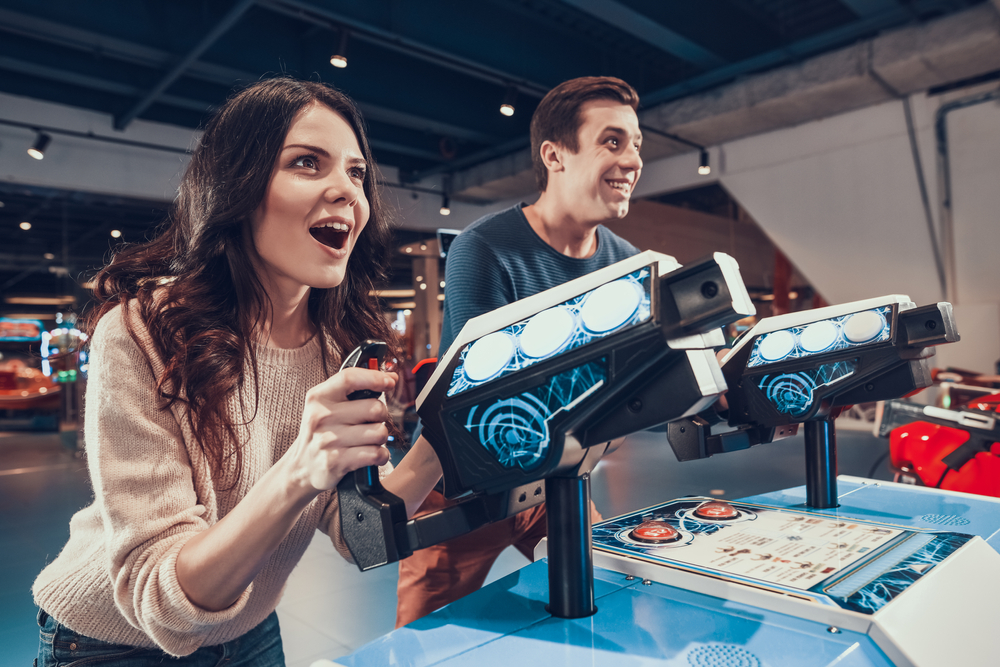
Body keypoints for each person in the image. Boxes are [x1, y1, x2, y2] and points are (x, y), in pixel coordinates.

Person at [31, 77, 441, 665]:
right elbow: (162, 598)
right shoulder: (142, 332)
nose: (346, 191)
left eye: (356, 173)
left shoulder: (335, 347)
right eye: (307, 163)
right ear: (238, 188)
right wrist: (301, 468)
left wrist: (451, 436)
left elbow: (362, 534)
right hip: (112, 643)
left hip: (246, 627)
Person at [395, 76, 644, 627]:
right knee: (421, 646)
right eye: (612, 141)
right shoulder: (483, 248)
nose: (631, 159)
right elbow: (481, 405)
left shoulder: (627, 264)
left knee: (604, 602)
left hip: (555, 476)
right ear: (554, 155)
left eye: (635, 144)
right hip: (459, 488)